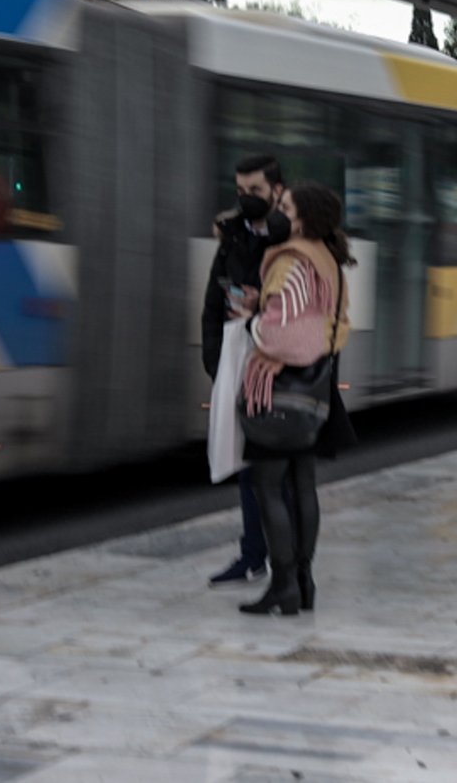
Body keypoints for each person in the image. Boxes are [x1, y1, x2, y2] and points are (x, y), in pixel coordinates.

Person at [237, 183, 356, 616]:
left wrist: (253, 322)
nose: (277, 211)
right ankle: (304, 583)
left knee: (267, 486)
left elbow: (287, 334)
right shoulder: (329, 260)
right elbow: (326, 325)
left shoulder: (292, 260)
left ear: (302, 219)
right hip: (314, 393)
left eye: (285, 207)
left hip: (280, 391)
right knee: (302, 482)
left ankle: (283, 585)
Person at [202, 154, 284, 588]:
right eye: (240, 191)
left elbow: (306, 305)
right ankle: (253, 554)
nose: (246, 198)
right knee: (246, 464)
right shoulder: (232, 237)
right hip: (239, 360)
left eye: (255, 190)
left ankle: (288, 563)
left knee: (280, 470)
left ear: (277, 190)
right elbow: (213, 304)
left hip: (279, 363)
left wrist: (262, 303)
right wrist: (216, 362)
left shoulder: (294, 239)